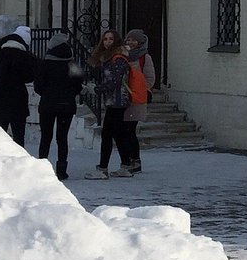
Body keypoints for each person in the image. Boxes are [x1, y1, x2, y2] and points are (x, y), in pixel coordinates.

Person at [33, 32, 84, 180]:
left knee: (46, 137)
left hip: (48, 104)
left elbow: (38, 86)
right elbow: (78, 84)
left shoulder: (45, 63)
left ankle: (42, 169)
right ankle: (61, 170)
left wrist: (48, 93)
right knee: (62, 138)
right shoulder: (72, 63)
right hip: (66, 105)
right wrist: (69, 94)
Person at [84, 32, 131, 179]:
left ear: (116, 41)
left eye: (111, 39)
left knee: (107, 134)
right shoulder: (109, 59)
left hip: (117, 100)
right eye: (105, 39)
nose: (107, 42)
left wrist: (97, 89)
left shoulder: (118, 59)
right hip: (113, 100)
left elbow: (114, 81)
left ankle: (103, 168)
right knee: (117, 134)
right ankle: (125, 166)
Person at [0, 24, 36, 146]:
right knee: (18, 137)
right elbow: (29, 77)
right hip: (17, 102)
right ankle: (18, 161)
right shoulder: (23, 56)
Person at [120, 28, 156, 174]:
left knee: (130, 130)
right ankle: (127, 159)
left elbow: (150, 78)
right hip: (123, 97)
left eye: (134, 40)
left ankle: (135, 160)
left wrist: (139, 88)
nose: (130, 42)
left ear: (140, 42)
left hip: (136, 98)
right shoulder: (122, 55)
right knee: (123, 130)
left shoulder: (144, 57)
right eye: (128, 39)